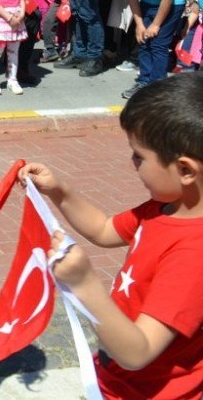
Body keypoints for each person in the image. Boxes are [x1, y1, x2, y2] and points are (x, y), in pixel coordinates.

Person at [19, 73, 203, 400]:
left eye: (139, 156)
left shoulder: (194, 254)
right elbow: (104, 229)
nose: (132, 164)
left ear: (186, 170)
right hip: (116, 380)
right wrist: (59, 191)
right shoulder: (165, 208)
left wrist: (85, 285)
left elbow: (138, 353)